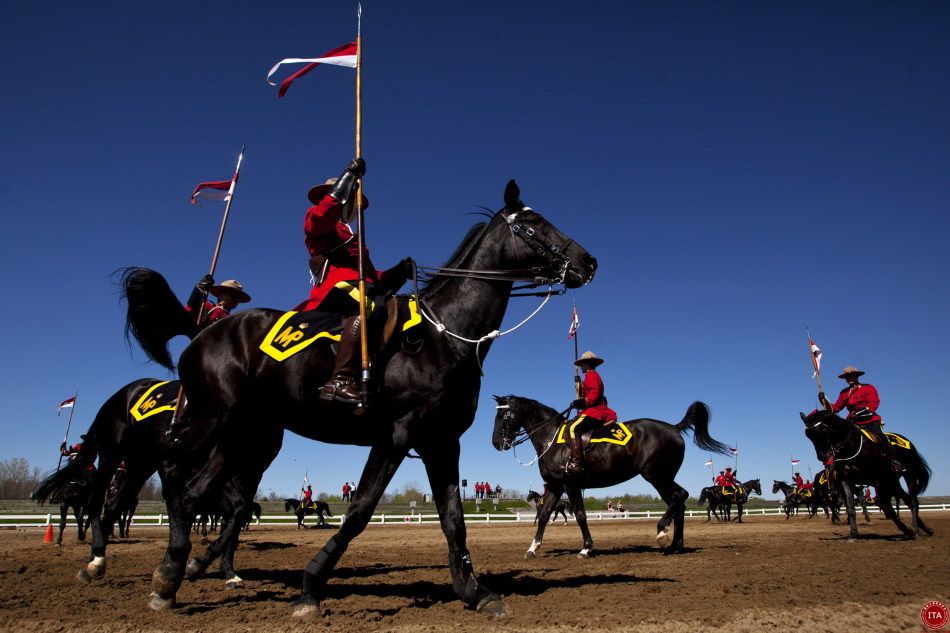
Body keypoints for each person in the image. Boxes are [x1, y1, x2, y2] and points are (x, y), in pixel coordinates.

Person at [296, 157, 413, 405]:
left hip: (361, 284)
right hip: (337, 287)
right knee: (369, 306)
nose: (348, 202)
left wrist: (398, 271)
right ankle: (340, 379)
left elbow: (374, 277)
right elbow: (322, 217)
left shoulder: (353, 235)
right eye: (345, 196)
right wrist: (347, 179)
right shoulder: (317, 218)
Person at [819, 366, 902, 473]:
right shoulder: (844, 392)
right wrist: (823, 400)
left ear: (856, 376)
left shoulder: (868, 388)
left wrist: (865, 411)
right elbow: (835, 408)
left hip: (869, 419)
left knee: (879, 436)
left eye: (851, 376)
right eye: (847, 377)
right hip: (853, 421)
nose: (849, 378)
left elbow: (874, 402)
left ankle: (892, 461)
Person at [565, 351, 618, 475]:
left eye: (582, 364)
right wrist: (579, 384)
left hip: (596, 412)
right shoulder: (589, 376)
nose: (581, 367)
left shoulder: (592, 375)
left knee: (573, 429)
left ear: (587, 364)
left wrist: (581, 402)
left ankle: (577, 463)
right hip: (591, 410)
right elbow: (586, 392)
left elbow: (593, 395)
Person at [186, 276, 251, 327]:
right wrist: (198, 289)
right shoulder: (207, 306)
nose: (235, 299)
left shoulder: (233, 320)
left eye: (238, 297)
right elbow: (189, 310)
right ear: (222, 294)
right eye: (232, 295)